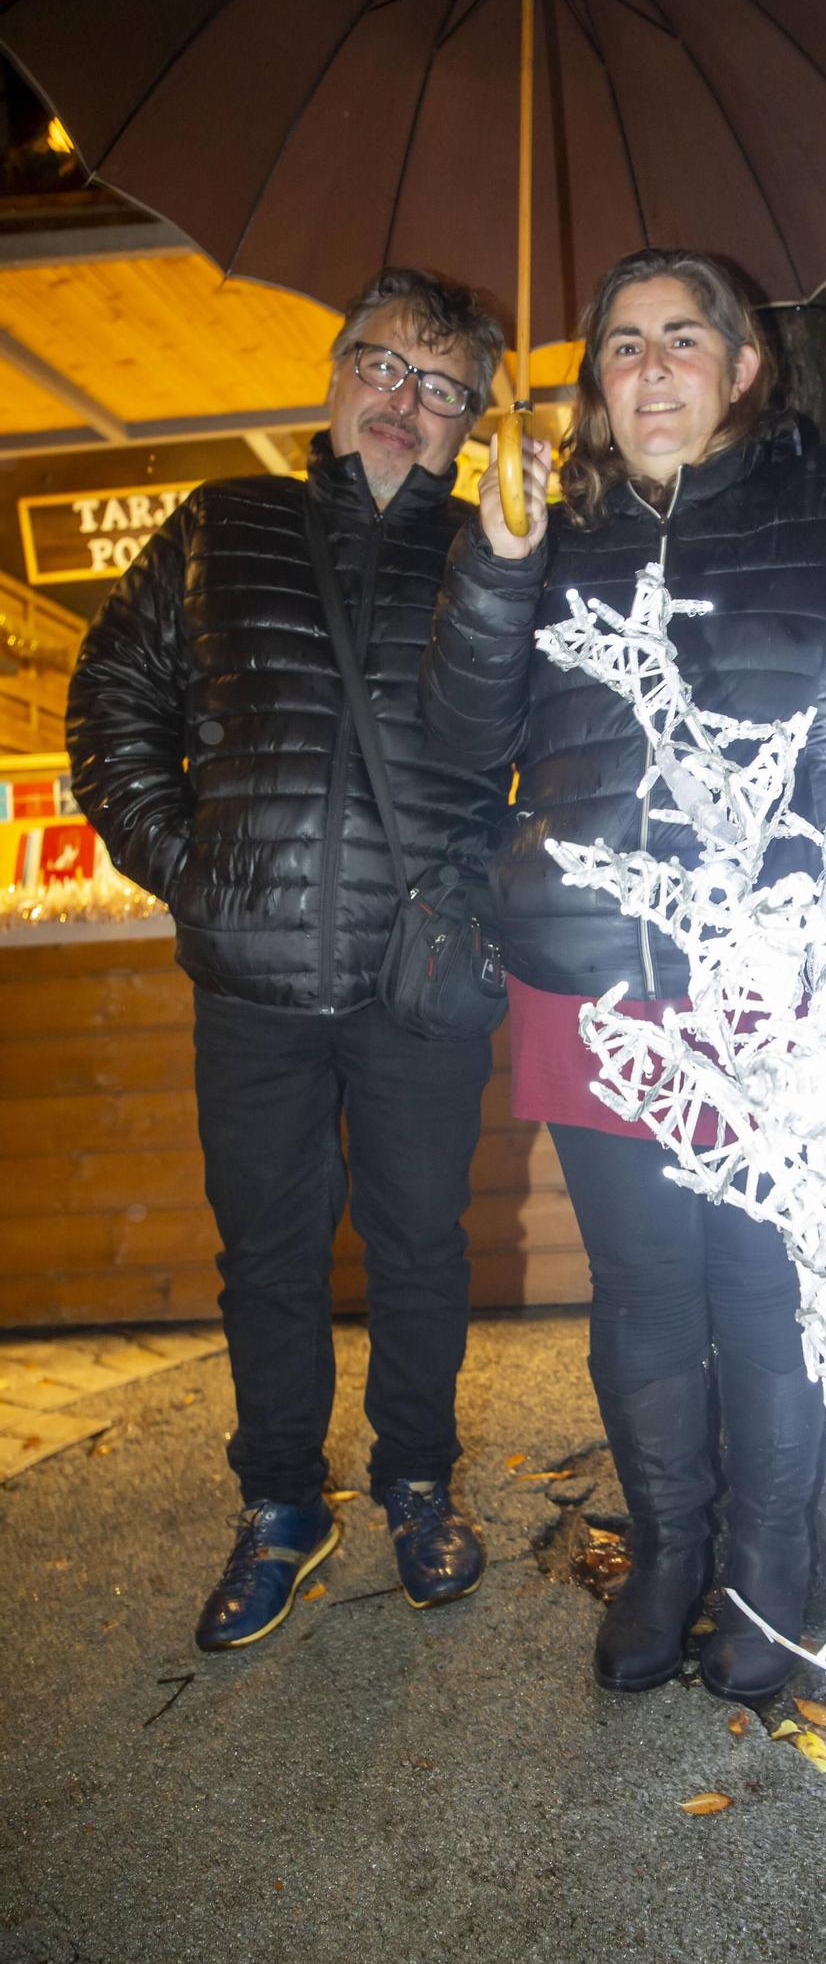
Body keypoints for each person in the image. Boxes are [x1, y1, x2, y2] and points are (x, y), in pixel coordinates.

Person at [421, 248, 826, 1704]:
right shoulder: (548, 526)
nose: (646, 369)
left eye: (677, 340)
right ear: (593, 381)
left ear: (741, 364)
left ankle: (772, 1572)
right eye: (621, 345)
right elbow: (460, 741)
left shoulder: (825, 502)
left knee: (763, 1290)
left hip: (769, 982)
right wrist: (497, 569)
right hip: (586, 969)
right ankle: (667, 1555)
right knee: (644, 1289)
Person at [66, 267, 511, 1651]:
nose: (405, 402)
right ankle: (279, 1506)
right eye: (384, 367)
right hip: (251, 975)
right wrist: (188, 866)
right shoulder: (222, 524)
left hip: (418, 981)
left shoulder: (501, 552)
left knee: (421, 1250)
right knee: (264, 1255)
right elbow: (113, 702)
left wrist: (484, 896)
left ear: (470, 424)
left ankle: (417, 1480)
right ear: (333, 378)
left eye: (441, 389)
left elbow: (559, 756)